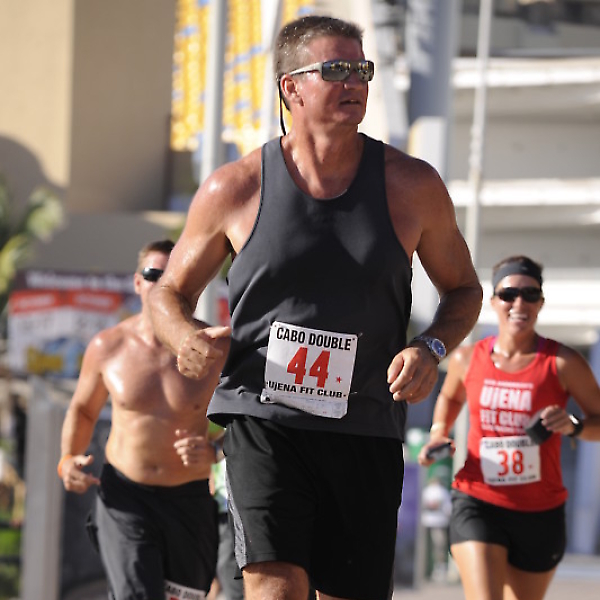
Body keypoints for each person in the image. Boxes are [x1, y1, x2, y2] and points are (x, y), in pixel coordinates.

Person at [148, 14, 482, 600]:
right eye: (336, 70)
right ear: (292, 88)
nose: (355, 82)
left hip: (366, 423)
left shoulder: (412, 186)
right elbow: (167, 293)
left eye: (362, 70)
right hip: (264, 420)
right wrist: (184, 337)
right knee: (275, 589)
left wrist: (430, 348)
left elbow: (464, 290)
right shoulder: (236, 187)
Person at [418, 255, 600, 600]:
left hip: (539, 511)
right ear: (493, 301)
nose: (519, 303)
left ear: (540, 303)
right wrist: (439, 431)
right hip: (478, 499)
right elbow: (451, 396)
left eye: (530, 295)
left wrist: (574, 426)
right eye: (508, 294)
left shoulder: (562, 363)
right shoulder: (467, 358)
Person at [58, 239, 230, 600]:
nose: (163, 283)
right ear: (138, 282)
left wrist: (215, 451)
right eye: (154, 274)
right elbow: (84, 409)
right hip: (125, 496)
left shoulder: (215, 350)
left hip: (189, 501)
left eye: (174, 275)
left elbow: (252, 417)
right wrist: (68, 458)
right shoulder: (108, 347)